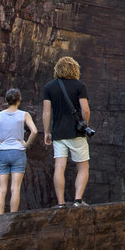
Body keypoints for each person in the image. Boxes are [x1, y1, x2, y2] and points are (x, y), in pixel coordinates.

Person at [41, 55, 91, 207]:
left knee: (59, 166)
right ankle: (77, 200)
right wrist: (84, 125)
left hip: (58, 133)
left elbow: (46, 112)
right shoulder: (79, 86)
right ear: (75, 69)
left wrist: (46, 132)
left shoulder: (49, 87)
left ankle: (61, 203)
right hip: (76, 133)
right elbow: (86, 109)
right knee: (82, 166)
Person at [0, 87, 37, 214]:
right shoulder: (24, 115)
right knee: (15, 189)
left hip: (3, 153)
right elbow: (34, 131)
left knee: (1, 189)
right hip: (18, 152)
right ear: (19, 100)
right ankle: (12, 217)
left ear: (7, 100)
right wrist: (26, 144)